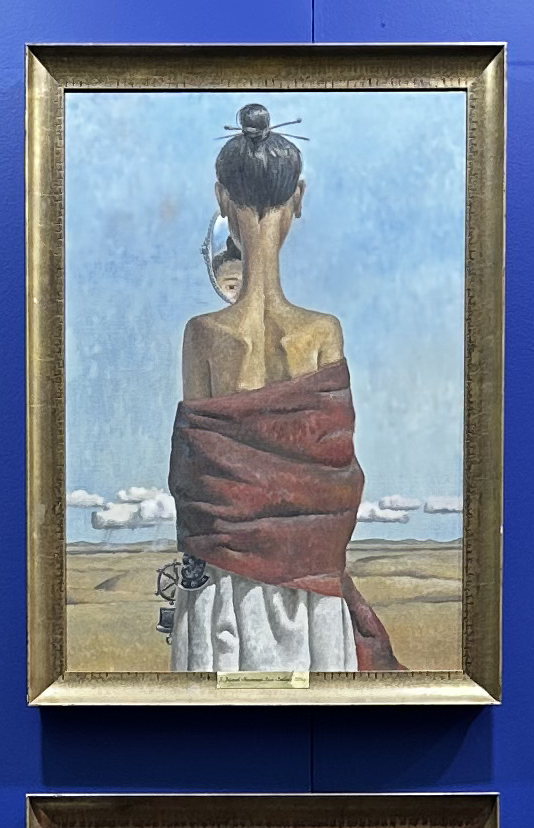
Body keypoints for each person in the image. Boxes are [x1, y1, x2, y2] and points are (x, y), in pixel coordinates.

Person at [165, 105, 399, 678]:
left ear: (222, 198)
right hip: (313, 594)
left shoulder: (202, 336)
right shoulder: (323, 334)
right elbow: (337, 485)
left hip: (219, 593)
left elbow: (194, 484)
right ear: (299, 196)